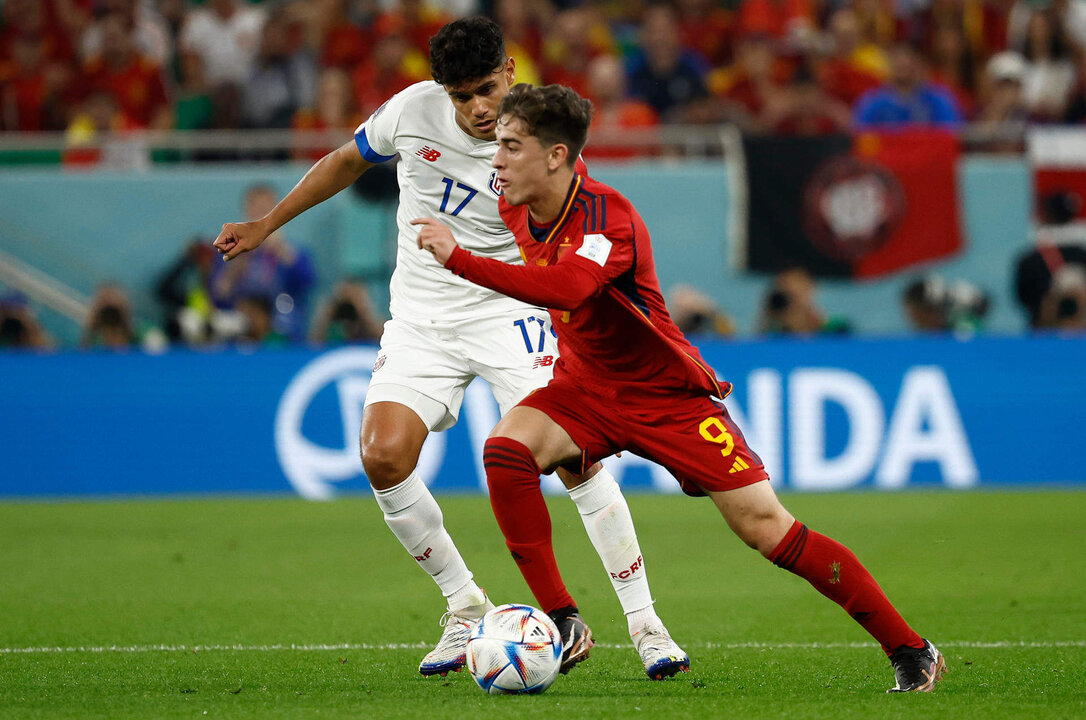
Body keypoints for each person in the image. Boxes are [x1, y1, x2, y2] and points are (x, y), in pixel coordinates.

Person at [416, 82, 945, 693]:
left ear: (557, 156)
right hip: (586, 387)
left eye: (510, 146)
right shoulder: (517, 201)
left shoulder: (607, 219)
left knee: (766, 529)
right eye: (497, 145)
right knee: (505, 451)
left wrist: (457, 258)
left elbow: (565, 289)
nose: (496, 159)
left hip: (667, 399)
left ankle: (910, 648)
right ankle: (563, 621)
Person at [213, 16, 687, 681]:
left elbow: (581, 241)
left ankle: (646, 625)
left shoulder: (544, 141)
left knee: (575, 459)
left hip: (512, 311)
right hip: (423, 317)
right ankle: (465, 606)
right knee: (381, 455)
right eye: (461, 95)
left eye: (487, 89)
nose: (478, 109)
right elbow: (349, 159)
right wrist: (267, 223)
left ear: (510, 73)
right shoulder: (411, 112)